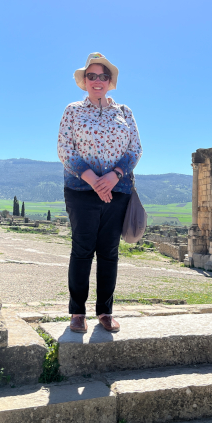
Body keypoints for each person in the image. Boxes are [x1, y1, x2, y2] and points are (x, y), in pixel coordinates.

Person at [57, 53, 143, 333]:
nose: (97, 81)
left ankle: (105, 312)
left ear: (110, 81)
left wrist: (113, 175)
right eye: (91, 76)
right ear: (84, 81)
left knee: (109, 252)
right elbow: (65, 149)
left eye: (102, 76)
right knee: (82, 250)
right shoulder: (73, 110)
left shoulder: (125, 112)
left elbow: (135, 149)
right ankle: (77, 313)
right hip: (81, 189)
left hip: (117, 190)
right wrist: (94, 179)